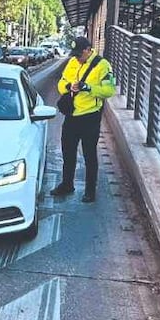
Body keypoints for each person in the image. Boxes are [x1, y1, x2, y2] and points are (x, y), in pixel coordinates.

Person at [51, 37, 116, 203]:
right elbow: (62, 82)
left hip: (90, 117)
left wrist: (88, 88)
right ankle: (67, 184)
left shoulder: (102, 65)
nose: (77, 57)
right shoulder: (73, 62)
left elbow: (109, 90)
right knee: (68, 152)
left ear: (88, 49)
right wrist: (68, 86)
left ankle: (90, 191)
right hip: (72, 115)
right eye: (75, 54)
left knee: (89, 154)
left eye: (80, 54)